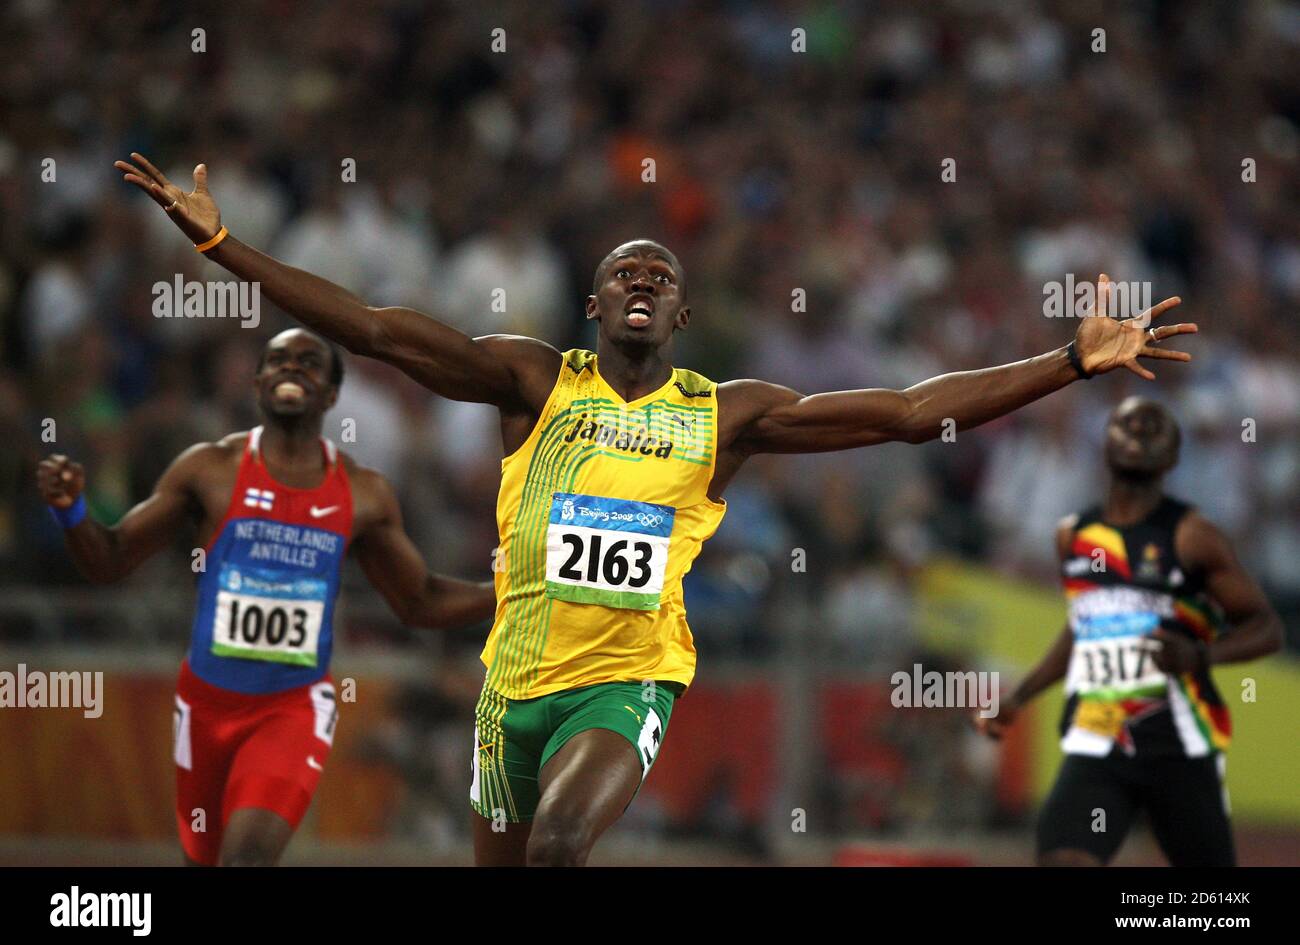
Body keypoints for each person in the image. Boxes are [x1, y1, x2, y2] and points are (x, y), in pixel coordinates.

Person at [116, 152, 1198, 866]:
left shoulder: (727, 415)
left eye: (660, 272)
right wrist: (221, 246)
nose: (641, 277)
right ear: (595, 306)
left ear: (680, 311)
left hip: (628, 673)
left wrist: (1067, 360)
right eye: (622, 268)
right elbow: (378, 328)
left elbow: (914, 411)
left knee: (556, 849)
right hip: (511, 681)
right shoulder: (535, 380)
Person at [37, 327, 496, 866]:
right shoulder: (210, 471)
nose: (291, 368)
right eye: (278, 360)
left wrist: (510, 589)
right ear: (257, 384)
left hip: (292, 710)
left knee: (246, 859)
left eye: (308, 362)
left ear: (330, 395)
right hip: (206, 706)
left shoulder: (362, 493)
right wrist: (72, 511)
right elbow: (110, 560)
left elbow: (418, 600)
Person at [975, 397, 1284, 866]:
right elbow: (1084, 628)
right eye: (1127, 422)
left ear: (1173, 455)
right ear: (1104, 444)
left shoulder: (1192, 536)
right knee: (1065, 859)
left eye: (1153, 425)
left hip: (1175, 743)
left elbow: (1265, 628)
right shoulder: (1073, 536)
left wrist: (1200, 656)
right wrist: (1020, 695)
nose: (1139, 430)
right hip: (1100, 736)